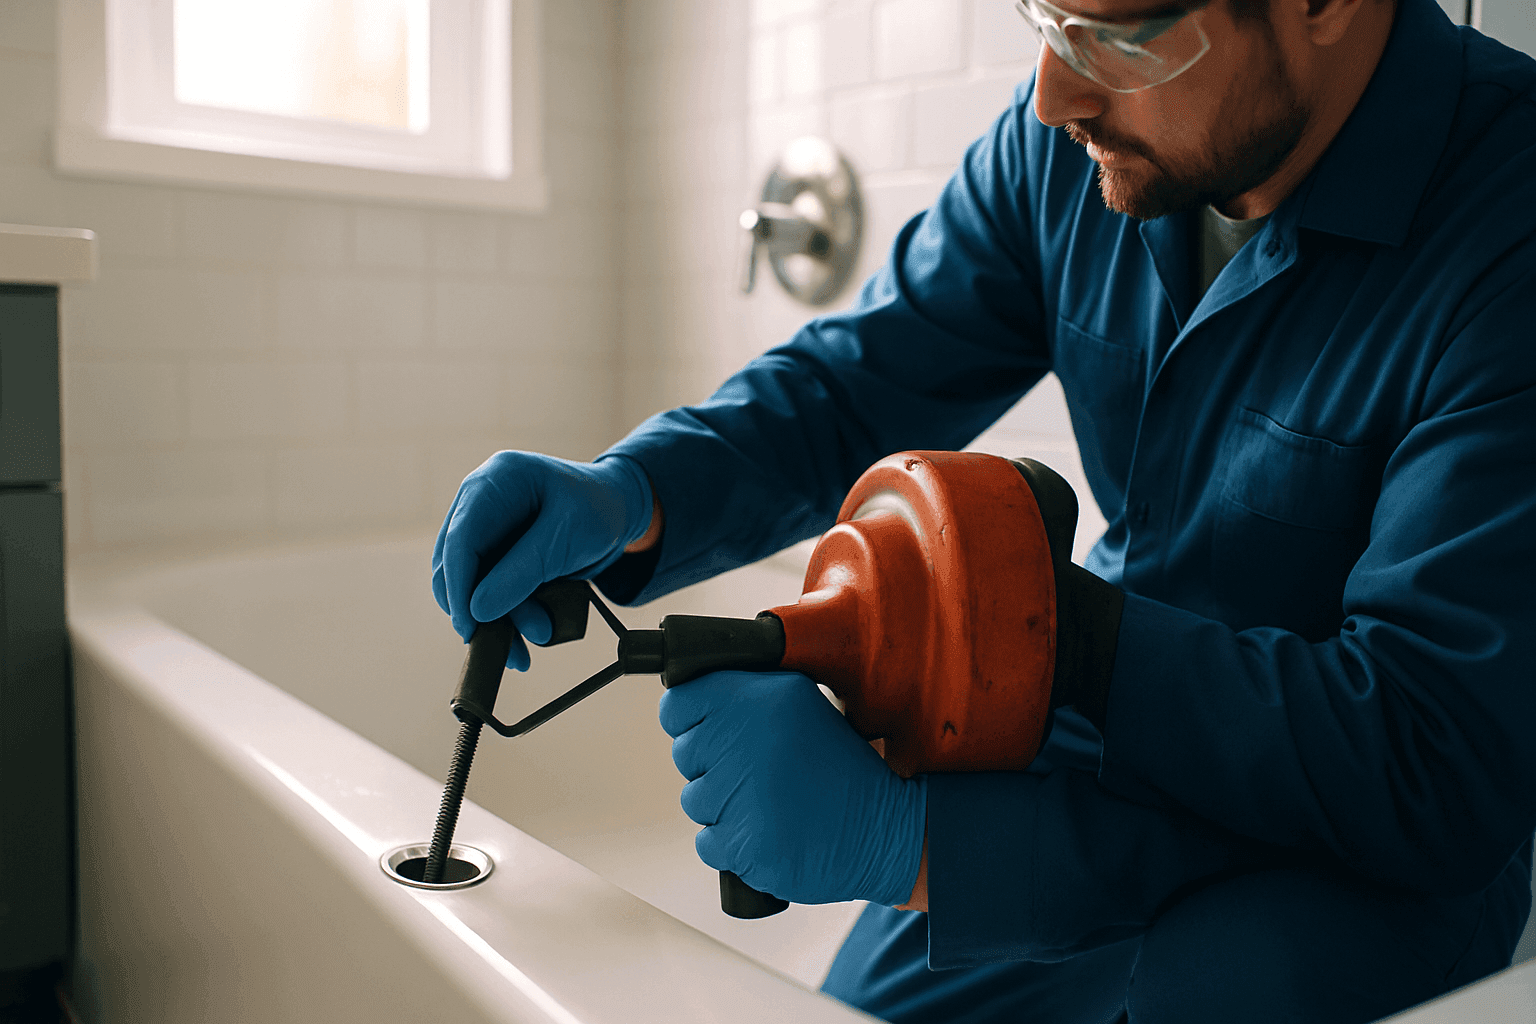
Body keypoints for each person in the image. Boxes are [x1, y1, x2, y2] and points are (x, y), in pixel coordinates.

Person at [431, 0, 1536, 1018]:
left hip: (1365, 852)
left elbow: (1428, 753)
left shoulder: (1511, 217)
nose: (1055, 92)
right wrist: (636, 490)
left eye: (1115, 34)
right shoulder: (1076, 145)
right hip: (1093, 736)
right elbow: (854, 382)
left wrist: (921, 846)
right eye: (1045, 15)